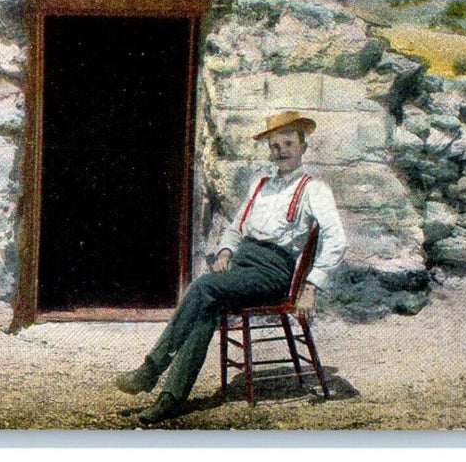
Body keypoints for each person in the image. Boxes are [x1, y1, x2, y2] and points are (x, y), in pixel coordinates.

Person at [114, 110, 346, 424]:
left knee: (204, 286)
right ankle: (170, 398)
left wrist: (312, 286)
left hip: (273, 273)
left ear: (303, 146)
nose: (282, 151)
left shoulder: (314, 189)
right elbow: (236, 227)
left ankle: (150, 370)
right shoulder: (260, 185)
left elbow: (335, 239)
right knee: (207, 308)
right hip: (242, 269)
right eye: (275, 146)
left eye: (289, 143)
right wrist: (225, 251)